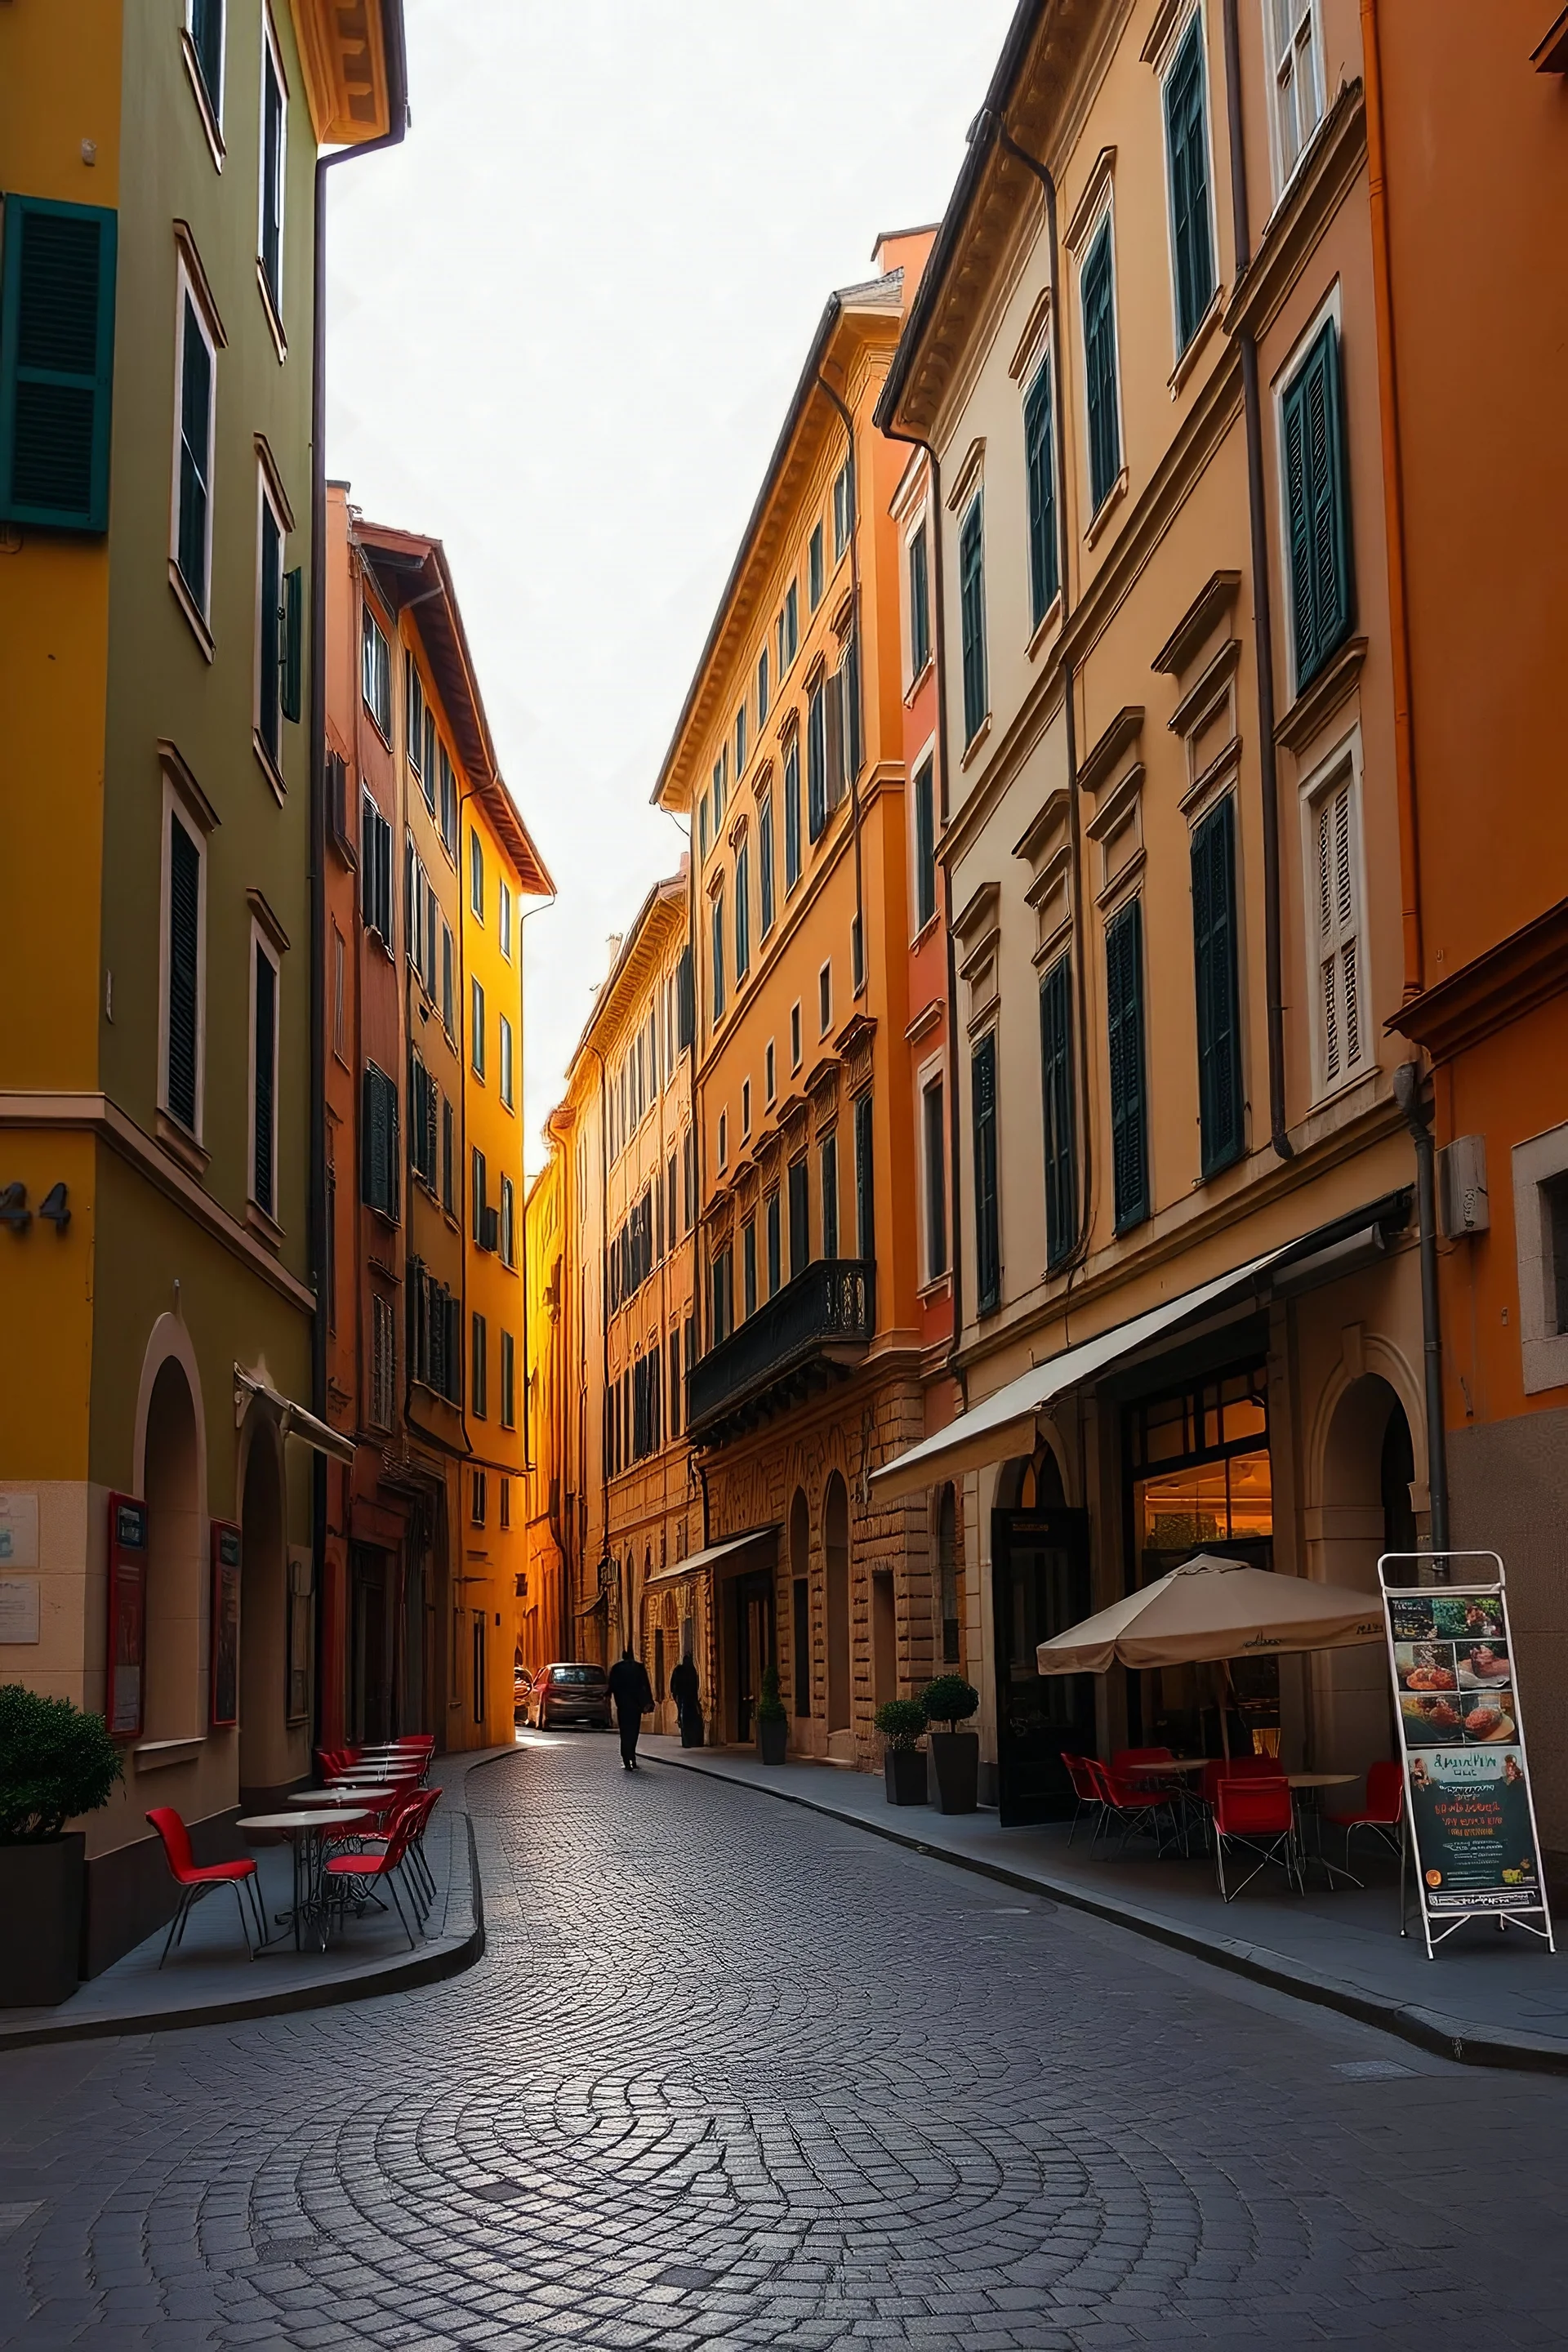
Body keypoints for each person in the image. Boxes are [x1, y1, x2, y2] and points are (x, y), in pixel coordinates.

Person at [606, 1645, 654, 1771]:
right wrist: (649, 1702)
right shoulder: (639, 1668)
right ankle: (632, 1757)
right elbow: (646, 1686)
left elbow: (610, 1686)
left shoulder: (616, 1668)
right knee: (634, 1732)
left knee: (625, 1732)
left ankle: (626, 1759)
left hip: (622, 1706)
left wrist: (606, 1696)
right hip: (636, 1706)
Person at [670, 1650, 702, 1748]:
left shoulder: (679, 1670)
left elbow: (673, 1685)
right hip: (689, 1698)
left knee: (684, 1720)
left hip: (683, 1698)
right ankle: (691, 1741)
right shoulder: (691, 1670)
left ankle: (687, 1741)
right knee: (688, 1720)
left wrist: (676, 1696)